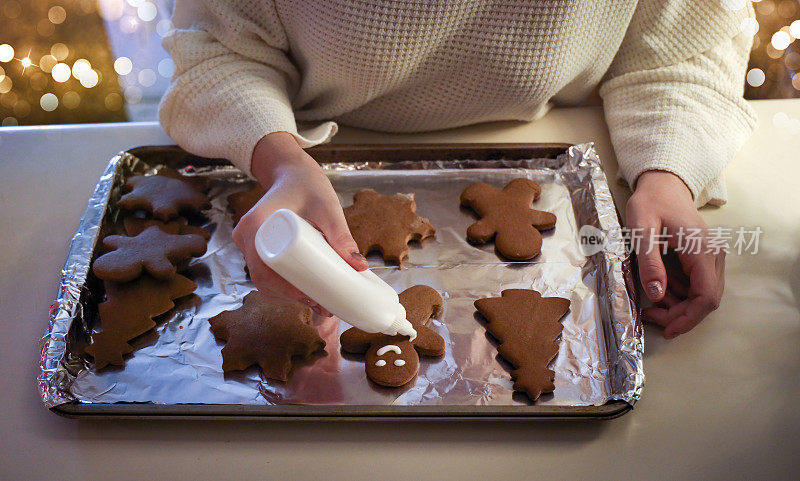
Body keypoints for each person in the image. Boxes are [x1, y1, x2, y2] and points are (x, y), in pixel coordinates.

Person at [159, 0, 756, 339]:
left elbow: (682, 48)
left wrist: (668, 175)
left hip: (566, 141)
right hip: (310, 140)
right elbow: (219, 48)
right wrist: (279, 157)